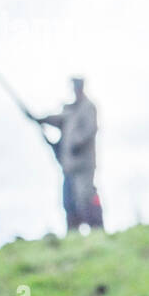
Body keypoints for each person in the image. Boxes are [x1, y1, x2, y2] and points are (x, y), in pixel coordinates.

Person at [39, 78, 104, 232]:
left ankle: (96, 229)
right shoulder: (70, 110)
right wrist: (41, 119)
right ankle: (73, 234)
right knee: (69, 201)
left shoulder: (88, 107)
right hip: (69, 165)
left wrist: (77, 143)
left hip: (83, 163)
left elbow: (90, 129)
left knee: (85, 196)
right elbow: (57, 119)